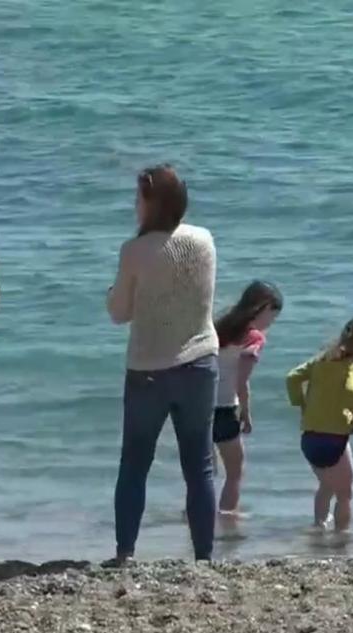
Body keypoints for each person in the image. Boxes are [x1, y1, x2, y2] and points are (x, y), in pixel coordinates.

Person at [106, 164, 218, 564]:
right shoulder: (204, 241)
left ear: (153, 204)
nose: (134, 205)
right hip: (200, 361)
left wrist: (112, 294)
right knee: (199, 465)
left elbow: (119, 313)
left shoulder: (135, 250)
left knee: (135, 463)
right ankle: (204, 555)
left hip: (149, 369)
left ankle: (125, 554)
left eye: (139, 198)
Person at [286, 316, 353, 534]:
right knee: (345, 494)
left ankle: (319, 528)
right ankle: (342, 538)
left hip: (309, 439)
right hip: (333, 439)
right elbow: (351, 390)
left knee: (326, 486)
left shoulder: (321, 360)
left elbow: (292, 378)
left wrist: (300, 403)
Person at [212, 281, 284, 519]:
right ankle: (226, 519)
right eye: (271, 318)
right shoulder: (254, 338)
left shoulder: (217, 327)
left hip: (198, 406)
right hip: (224, 408)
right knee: (235, 471)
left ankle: (195, 515)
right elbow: (241, 382)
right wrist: (246, 413)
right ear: (262, 309)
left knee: (202, 471)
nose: (269, 325)